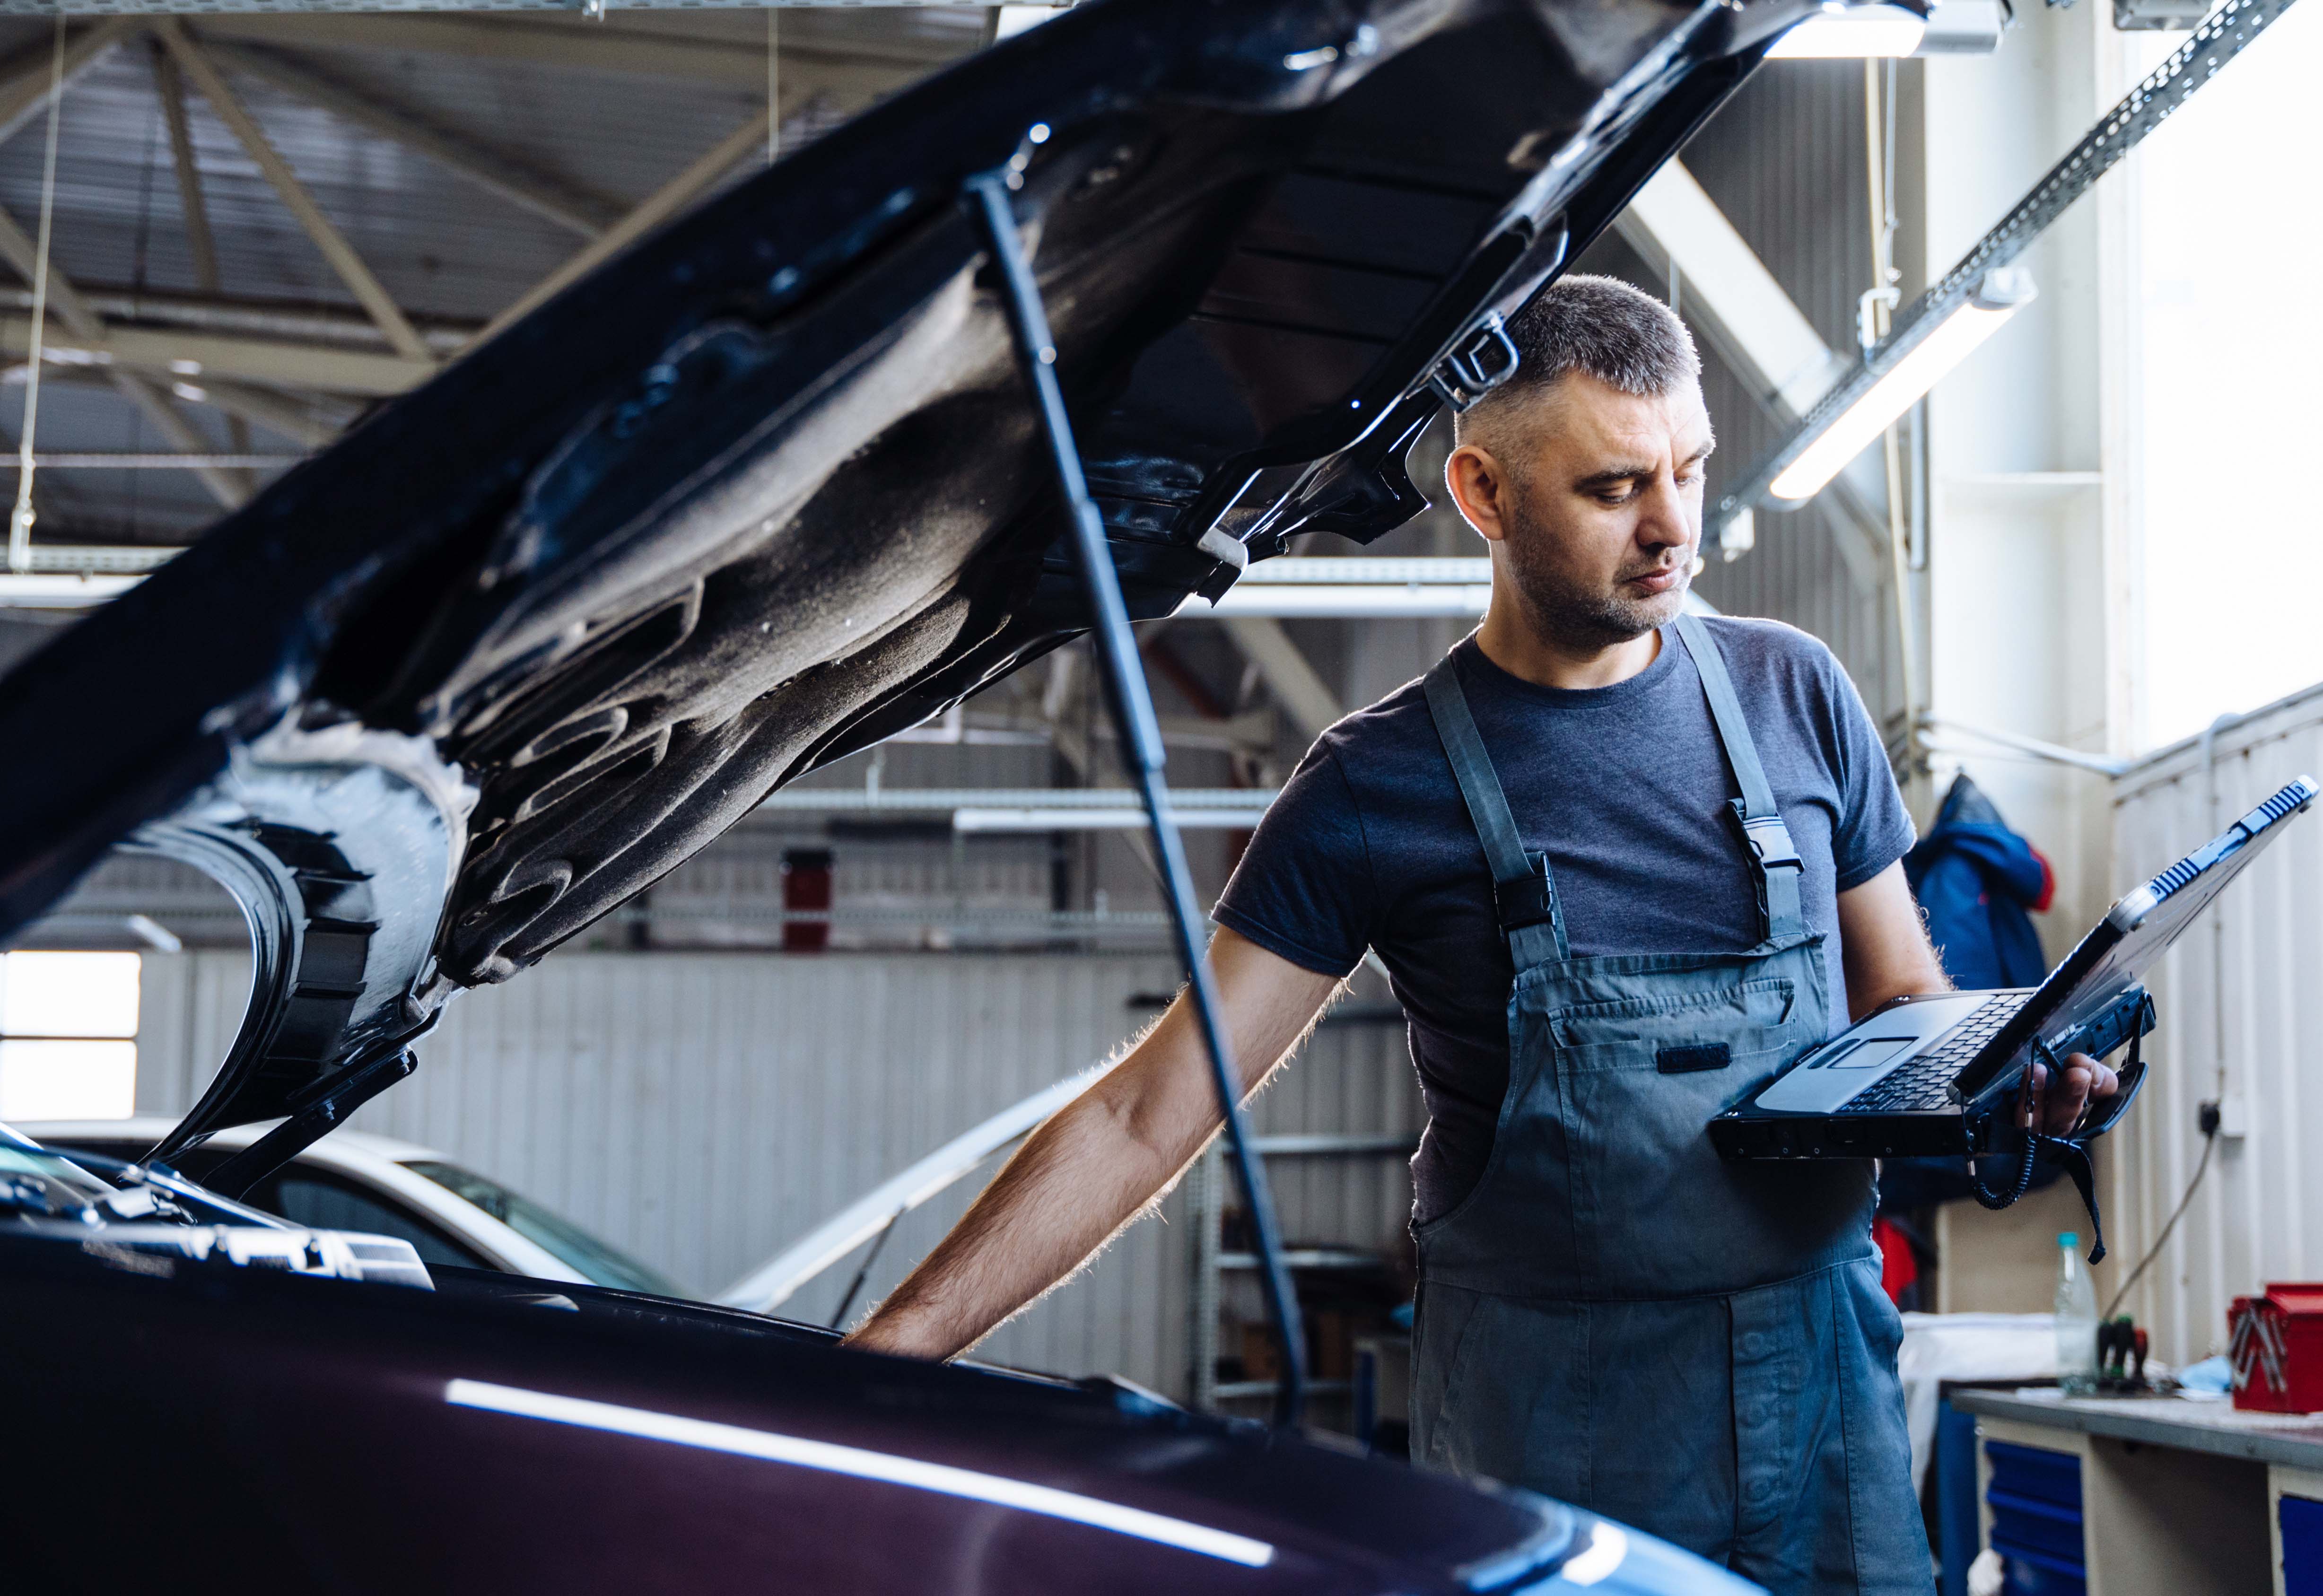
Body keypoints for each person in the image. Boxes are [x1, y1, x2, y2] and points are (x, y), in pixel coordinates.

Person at [845, 275, 2119, 1593]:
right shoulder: (1372, 789)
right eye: (1614, 487)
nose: (1673, 526)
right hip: (1554, 1436)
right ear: (1483, 495)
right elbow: (1148, 1115)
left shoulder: (1795, 693)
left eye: (1689, 469)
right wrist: (888, 1356)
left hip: (1827, 1416)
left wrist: (2005, 1073)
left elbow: (1904, 992)